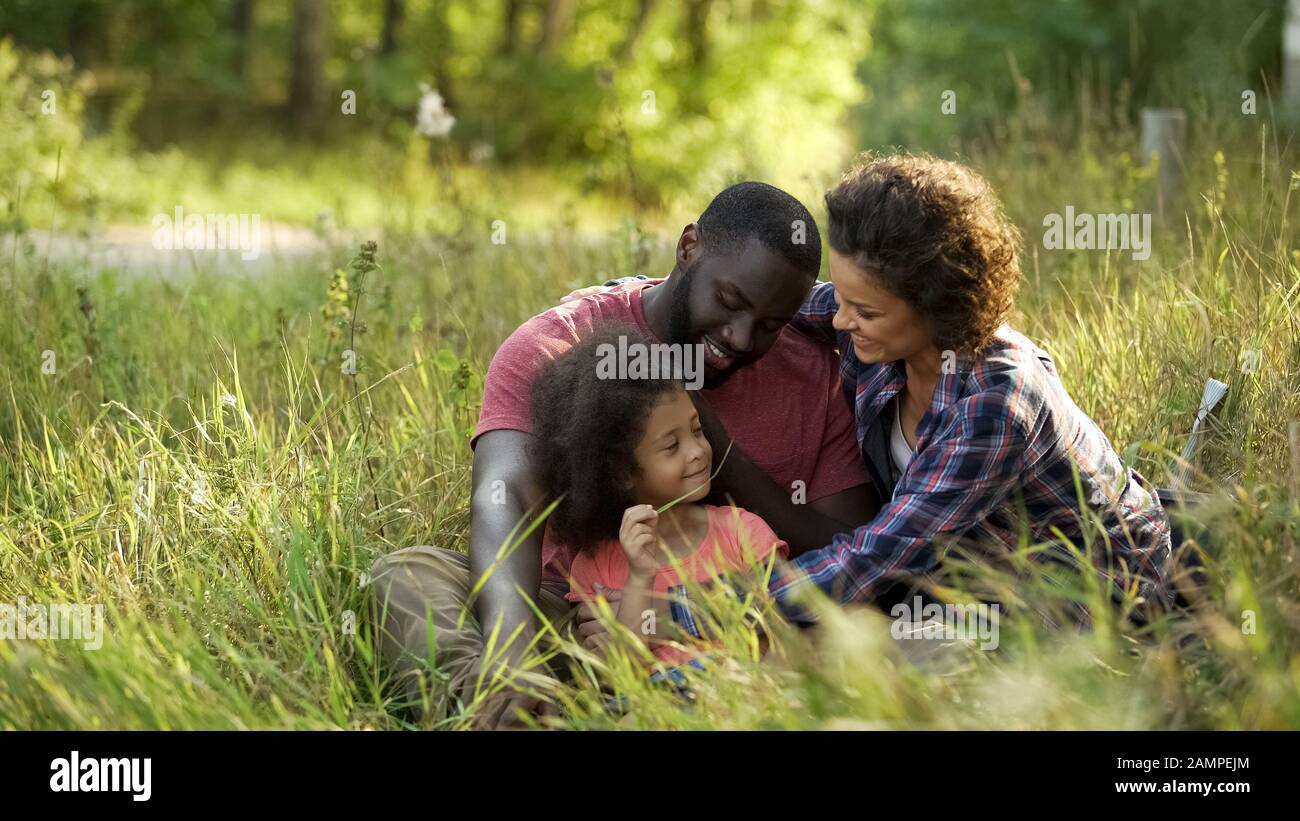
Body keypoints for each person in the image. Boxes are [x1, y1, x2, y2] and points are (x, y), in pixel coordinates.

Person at [369, 182, 877, 728]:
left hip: (736, 626)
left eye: (770, 326)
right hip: (579, 618)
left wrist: (718, 445)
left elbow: (849, 551)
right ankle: (508, 702)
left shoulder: (814, 376)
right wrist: (511, 651)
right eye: (729, 301)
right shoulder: (560, 343)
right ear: (689, 248)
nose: (739, 337)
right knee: (407, 576)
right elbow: (506, 495)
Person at [675, 152, 1177, 626]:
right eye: (842, 296)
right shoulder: (878, 335)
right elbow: (768, 303)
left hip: (1089, 586)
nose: (840, 319)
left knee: (893, 661)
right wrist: (625, 302)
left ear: (936, 307)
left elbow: (873, 561)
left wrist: (690, 612)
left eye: (864, 310)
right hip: (963, 562)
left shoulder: (995, 403)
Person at [531, 324, 788, 667]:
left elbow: (784, 618)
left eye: (698, 430)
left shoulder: (743, 531)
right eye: (672, 445)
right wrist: (641, 577)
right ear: (621, 472)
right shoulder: (597, 565)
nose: (697, 451)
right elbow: (617, 672)